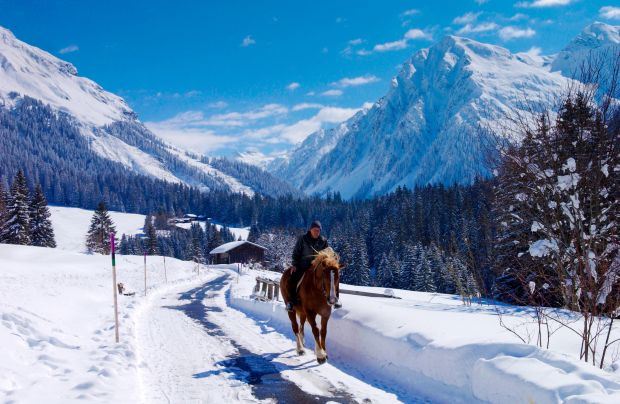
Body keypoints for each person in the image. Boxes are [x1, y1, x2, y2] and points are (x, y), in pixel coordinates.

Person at [285, 220, 341, 311]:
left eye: (318, 230)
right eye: (315, 229)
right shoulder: (303, 239)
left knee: (333, 278)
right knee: (293, 278)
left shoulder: (323, 241)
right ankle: (291, 302)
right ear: (310, 229)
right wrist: (295, 264)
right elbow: (296, 253)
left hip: (317, 267)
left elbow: (328, 254)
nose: (316, 232)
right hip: (303, 265)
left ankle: (336, 299)